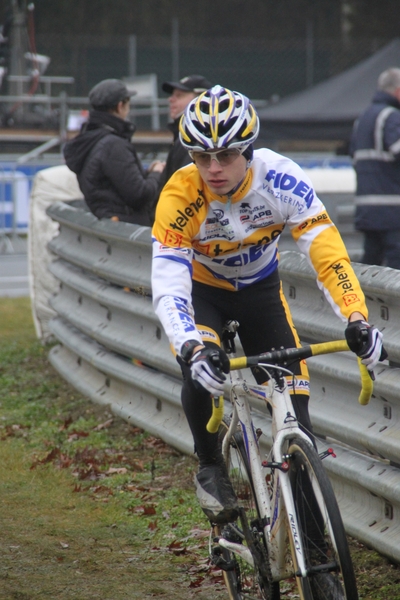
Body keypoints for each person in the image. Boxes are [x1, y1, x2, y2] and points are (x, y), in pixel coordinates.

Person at [151, 85, 386, 525]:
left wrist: (357, 316)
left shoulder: (282, 178)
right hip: (204, 293)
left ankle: (317, 561)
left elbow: (327, 252)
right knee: (201, 369)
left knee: (299, 425)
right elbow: (168, 283)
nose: (214, 168)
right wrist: (190, 346)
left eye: (227, 155)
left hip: (261, 292)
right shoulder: (180, 195)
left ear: (250, 150)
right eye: (202, 158)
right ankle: (209, 466)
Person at [64, 78, 165, 226]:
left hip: (108, 223)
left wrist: (147, 173)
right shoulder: (113, 145)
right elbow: (140, 195)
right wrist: (157, 173)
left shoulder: (92, 139)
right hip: (126, 227)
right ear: (120, 106)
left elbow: (115, 185)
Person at [350, 67, 400, 269]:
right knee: (396, 269)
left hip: (367, 208)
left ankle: (364, 301)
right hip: (393, 210)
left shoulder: (362, 119)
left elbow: (354, 159)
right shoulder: (392, 117)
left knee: (371, 265)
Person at [157, 74, 212, 192]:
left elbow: (186, 186)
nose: (170, 99)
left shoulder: (197, 136)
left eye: (179, 95)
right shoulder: (182, 133)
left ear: (200, 99)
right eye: (172, 95)